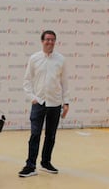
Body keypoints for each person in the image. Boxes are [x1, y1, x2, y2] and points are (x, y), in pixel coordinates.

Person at [18, 30, 70, 178]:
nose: (50, 42)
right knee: (35, 134)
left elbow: (64, 82)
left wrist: (66, 102)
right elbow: (27, 80)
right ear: (42, 41)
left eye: (53, 40)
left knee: (51, 135)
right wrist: (32, 97)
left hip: (55, 104)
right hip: (39, 103)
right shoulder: (34, 58)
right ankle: (30, 166)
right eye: (47, 39)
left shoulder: (61, 59)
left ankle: (46, 163)